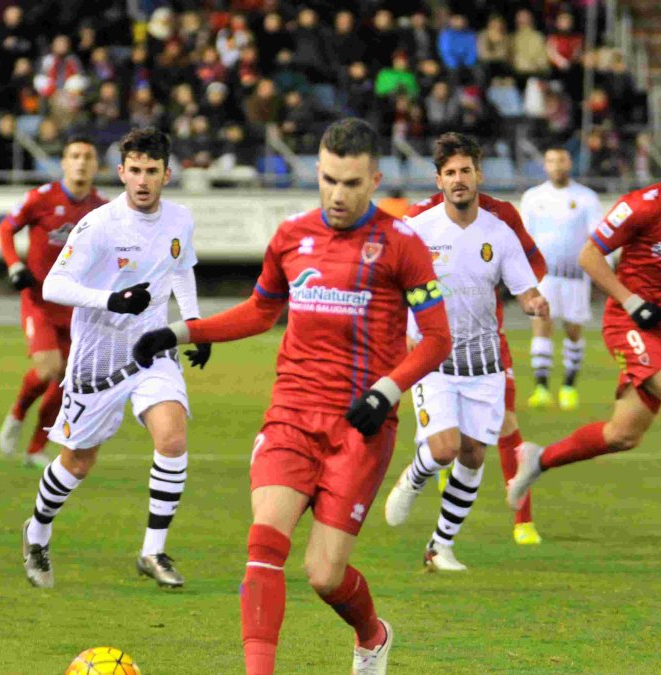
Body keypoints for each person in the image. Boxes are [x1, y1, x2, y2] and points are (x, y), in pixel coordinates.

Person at [132, 118, 453, 675]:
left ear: (374, 179)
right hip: (290, 417)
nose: (337, 194)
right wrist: (182, 331)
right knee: (263, 545)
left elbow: (439, 339)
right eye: (328, 179)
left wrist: (387, 389)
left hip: (360, 427)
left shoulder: (403, 246)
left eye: (351, 183)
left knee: (325, 575)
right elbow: (261, 310)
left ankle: (372, 635)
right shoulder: (291, 236)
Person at [507, 121, 661, 557]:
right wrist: (632, 302)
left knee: (623, 434)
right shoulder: (644, 204)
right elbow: (589, 255)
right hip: (628, 323)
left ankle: (538, 459)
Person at [21, 127, 211, 590]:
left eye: (152, 172)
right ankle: (37, 529)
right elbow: (53, 286)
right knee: (78, 463)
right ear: (122, 172)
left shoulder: (180, 219)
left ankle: (153, 550)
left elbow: (181, 268)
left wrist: (193, 324)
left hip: (153, 349)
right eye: (135, 171)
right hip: (98, 356)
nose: (143, 181)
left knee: (172, 438)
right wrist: (112, 300)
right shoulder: (99, 224)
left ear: (167, 174)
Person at [383, 133, 548, 572]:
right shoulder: (417, 229)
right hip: (433, 358)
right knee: (443, 449)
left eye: (466, 171)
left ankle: (440, 546)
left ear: (479, 175)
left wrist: (533, 302)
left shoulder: (500, 230)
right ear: (438, 180)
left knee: (474, 454)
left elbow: (523, 285)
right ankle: (414, 475)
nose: (459, 180)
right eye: (450, 173)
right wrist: (405, 330)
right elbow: (390, 285)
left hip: (485, 362)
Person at [0, 136, 106, 468]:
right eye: (75, 155)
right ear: (64, 163)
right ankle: (17, 413)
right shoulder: (42, 198)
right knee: (48, 368)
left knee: (66, 379)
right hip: (40, 299)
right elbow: (6, 228)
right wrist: (15, 264)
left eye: (88, 156)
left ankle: (35, 449)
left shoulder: (102, 208)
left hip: (76, 306)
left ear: (96, 165)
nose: (81, 162)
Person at [520, 146, 603, 411]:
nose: (557, 165)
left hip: (576, 276)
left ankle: (568, 386)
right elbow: (523, 239)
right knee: (541, 325)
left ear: (570, 162)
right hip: (545, 277)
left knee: (573, 331)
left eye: (562, 159)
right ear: (545, 164)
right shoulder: (533, 197)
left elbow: (598, 239)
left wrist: (602, 271)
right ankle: (541, 388)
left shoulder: (587, 198)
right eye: (552, 160)